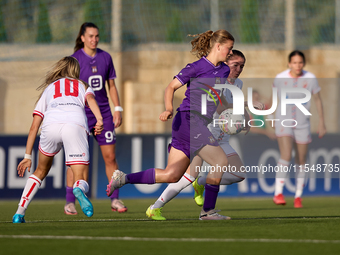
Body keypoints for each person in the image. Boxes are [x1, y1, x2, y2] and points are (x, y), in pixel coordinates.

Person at [106, 29, 247, 220]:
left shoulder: (222, 70)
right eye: (229, 49)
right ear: (218, 46)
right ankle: (208, 212)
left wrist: (236, 115)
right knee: (220, 161)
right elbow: (171, 87)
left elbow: (218, 99)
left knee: (172, 175)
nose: (230, 53)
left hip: (194, 124)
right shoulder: (196, 67)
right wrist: (168, 108)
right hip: (189, 119)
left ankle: (123, 178)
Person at [144, 50, 255, 220]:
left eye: (242, 66)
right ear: (226, 63)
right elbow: (220, 107)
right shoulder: (215, 79)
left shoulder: (238, 84)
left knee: (239, 174)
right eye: (235, 65)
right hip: (204, 133)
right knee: (187, 175)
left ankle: (202, 183)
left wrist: (242, 119)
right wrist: (246, 106)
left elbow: (230, 112)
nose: (239, 69)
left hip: (222, 138)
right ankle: (156, 207)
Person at [12, 56, 104, 223]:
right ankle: (78, 189)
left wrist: (27, 156)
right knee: (81, 176)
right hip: (75, 125)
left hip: (50, 125)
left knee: (39, 172)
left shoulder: (49, 89)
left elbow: (34, 126)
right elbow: (90, 100)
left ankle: (19, 212)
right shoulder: (83, 85)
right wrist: (99, 119)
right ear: (76, 70)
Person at [64, 22, 127, 215]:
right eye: (90, 36)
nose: (94, 39)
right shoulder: (74, 60)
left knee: (110, 157)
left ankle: (115, 199)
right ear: (82, 37)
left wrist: (117, 109)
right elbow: (69, 89)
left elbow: (112, 86)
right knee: (76, 160)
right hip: (80, 115)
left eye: (97, 36)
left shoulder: (105, 57)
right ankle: (70, 202)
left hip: (104, 114)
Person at [273, 50, 326, 208]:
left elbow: (317, 100)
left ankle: (298, 196)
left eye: (300, 62)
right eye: (294, 62)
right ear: (289, 64)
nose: (297, 65)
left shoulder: (310, 79)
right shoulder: (280, 78)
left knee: (301, 160)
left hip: (303, 123)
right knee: (286, 154)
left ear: (304, 63)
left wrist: (321, 121)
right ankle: (278, 193)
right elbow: (275, 98)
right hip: (284, 120)